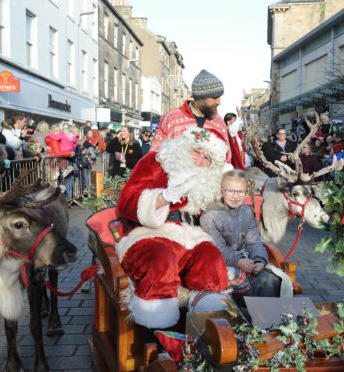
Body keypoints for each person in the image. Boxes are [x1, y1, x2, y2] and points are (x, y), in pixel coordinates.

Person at [116, 127, 229, 331]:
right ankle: (158, 336)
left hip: (189, 236)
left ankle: (208, 329)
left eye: (207, 159)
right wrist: (165, 197)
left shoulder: (206, 181)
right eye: (196, 151)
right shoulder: (155, 162)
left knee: (211, 259)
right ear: (185, 147)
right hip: (147, 234)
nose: (199, 161)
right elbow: (125, 203)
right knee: (161, 261)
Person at [200, 170, 282, 307]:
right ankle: (244, 320)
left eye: (240, 192)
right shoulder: (210, 216)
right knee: (241, 282)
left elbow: (254, 241)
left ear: (246, 193)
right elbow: (218, 249)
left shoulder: (246, 211)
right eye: (230, 191)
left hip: (245, 261)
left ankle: (268, 320)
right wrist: (238, 261)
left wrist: (259, 260)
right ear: (221, 192)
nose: (235, 196)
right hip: (222, 264)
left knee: (269, 279)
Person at [150, 69, 231, 162]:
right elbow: (154, 154)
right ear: (201, 97)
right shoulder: (172, 118)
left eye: (220, 97)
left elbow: (227, 158)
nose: (219, 102)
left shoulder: (218, 122)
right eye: (215, 97)